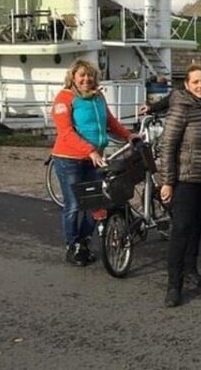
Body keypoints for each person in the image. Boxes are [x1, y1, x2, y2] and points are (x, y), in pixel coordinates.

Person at [50, 59, 136, 267]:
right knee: (74, 205)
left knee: (97, 202)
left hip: (94, 157)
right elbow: (66, 132)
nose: (86, 79)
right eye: (82, 75)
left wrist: (128, 136)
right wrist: (88, 150)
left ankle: (84, 241)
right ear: (73, 78)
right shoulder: (65, 99)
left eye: (90, 76)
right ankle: (73, 245)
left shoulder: (98, 97)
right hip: (69, 159)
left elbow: (110, 121)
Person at [141, 47, 201, 230]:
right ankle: (188, 215)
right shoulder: (196, 81)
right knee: (193, 183)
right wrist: (152, 108)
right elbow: (174, 98)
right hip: (194, 137)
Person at [159, 64, 201, 308]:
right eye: (196, 82)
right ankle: (173, 285)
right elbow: (168, 146)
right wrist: (167, 182)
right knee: (182, 229)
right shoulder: (181, 108)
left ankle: (191, 270)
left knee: (198, 225)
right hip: (186, 179)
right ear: (186, 85)